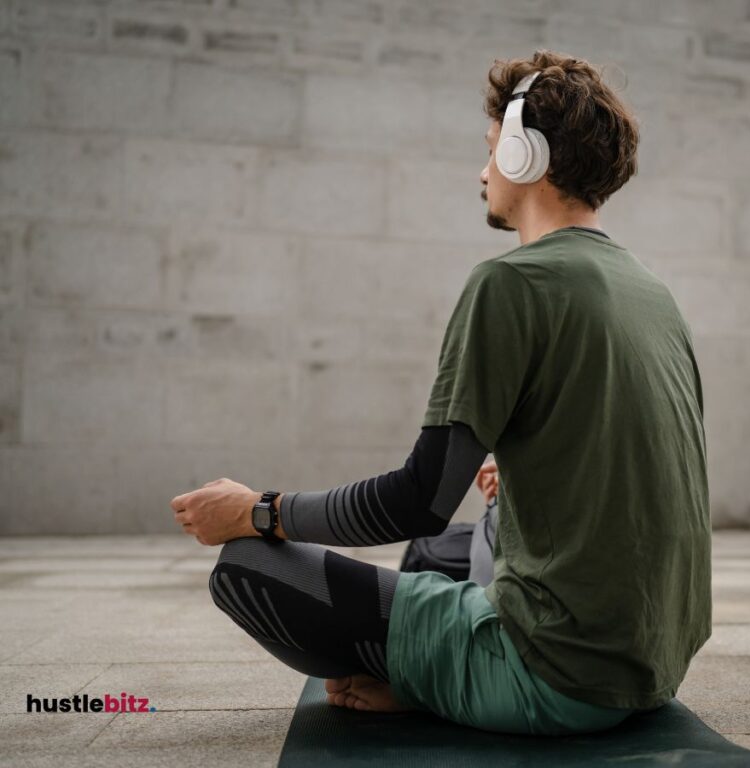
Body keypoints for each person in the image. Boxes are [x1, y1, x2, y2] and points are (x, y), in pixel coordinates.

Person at [168, 49, 711, 736]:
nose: (482, 172)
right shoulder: (652, 292)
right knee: (440, 557)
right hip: (651, 663)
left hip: (559, 675)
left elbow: (417, 500)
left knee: (246, 569)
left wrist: (260, 512)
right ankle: (440, 671)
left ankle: (449, 684)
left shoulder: (509, 283)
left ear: (522, 155)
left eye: (491, 151)